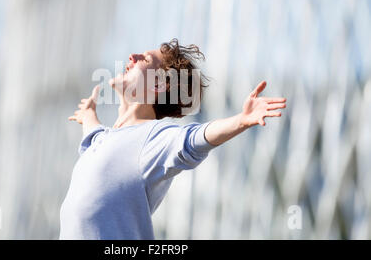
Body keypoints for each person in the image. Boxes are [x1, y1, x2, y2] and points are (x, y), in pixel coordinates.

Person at [60, 39, 286, 239]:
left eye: (144, 58)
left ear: (159, 84)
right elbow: (95, 134)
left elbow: (194, 139)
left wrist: (241, 120)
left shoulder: (154, 137)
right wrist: (89, 117)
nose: (132, 56)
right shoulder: (104, 138)